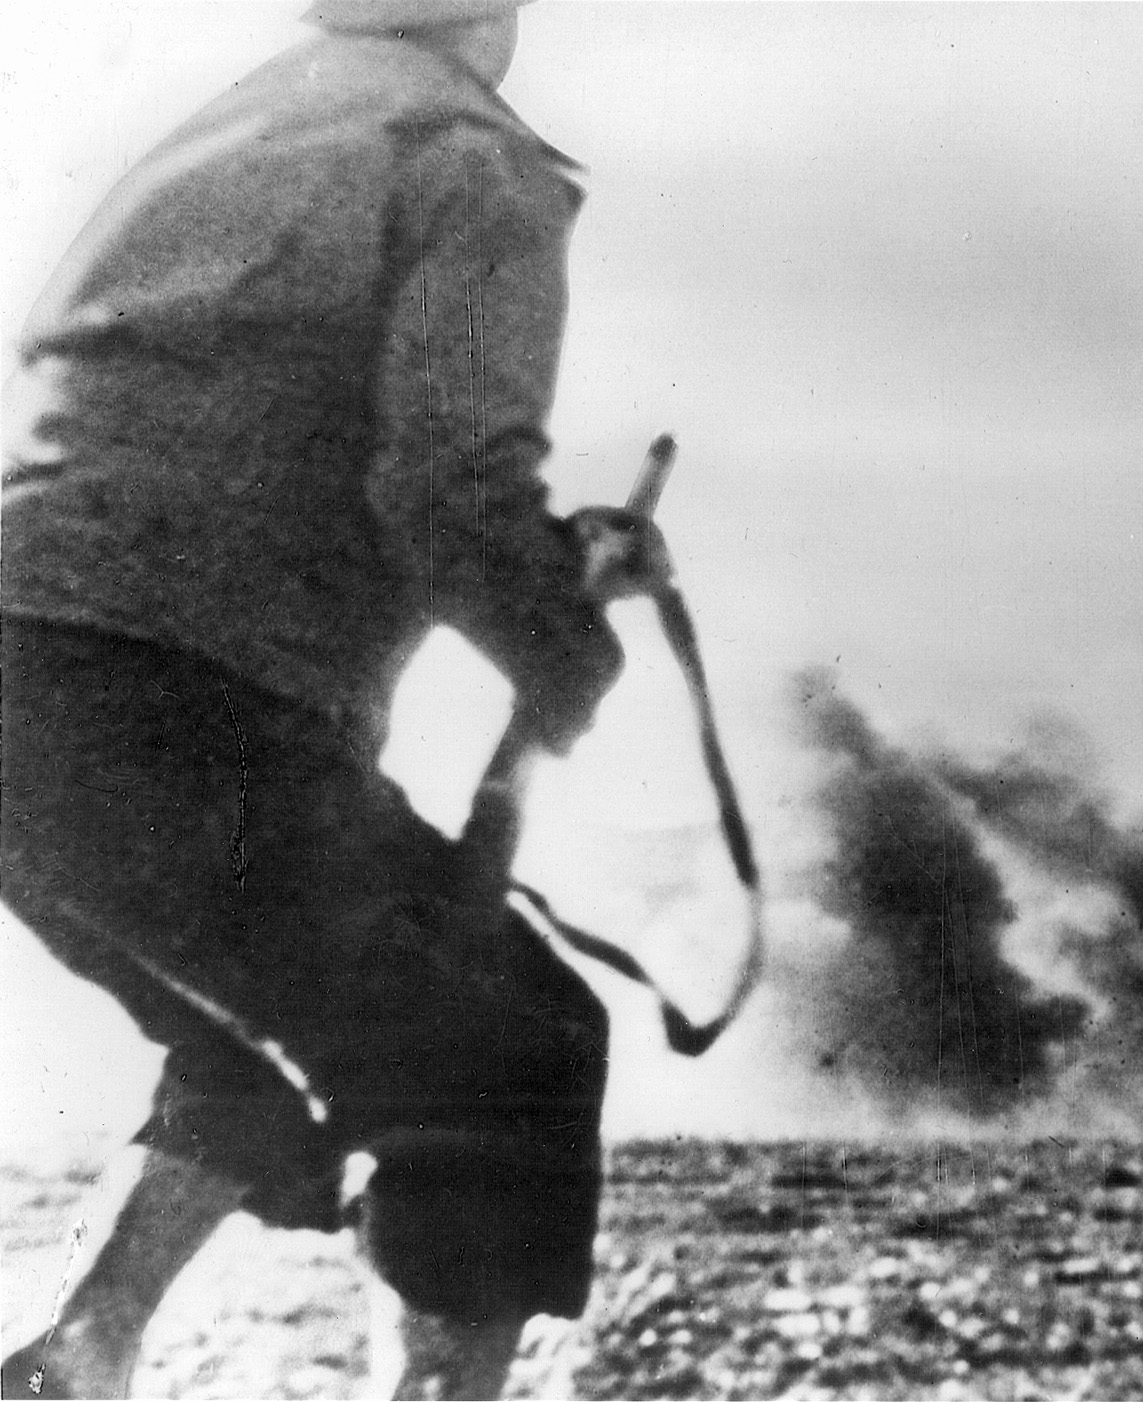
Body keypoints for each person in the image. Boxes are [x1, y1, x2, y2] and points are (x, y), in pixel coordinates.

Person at [0, 2, 660, 1394]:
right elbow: (441, 490)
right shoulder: (470, 161)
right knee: (508, 1043)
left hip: (32, 684)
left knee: (265, 1021)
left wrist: (548, 567)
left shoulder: (225, 129)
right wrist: (563, 640)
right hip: (175, 703)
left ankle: (77, 1347)